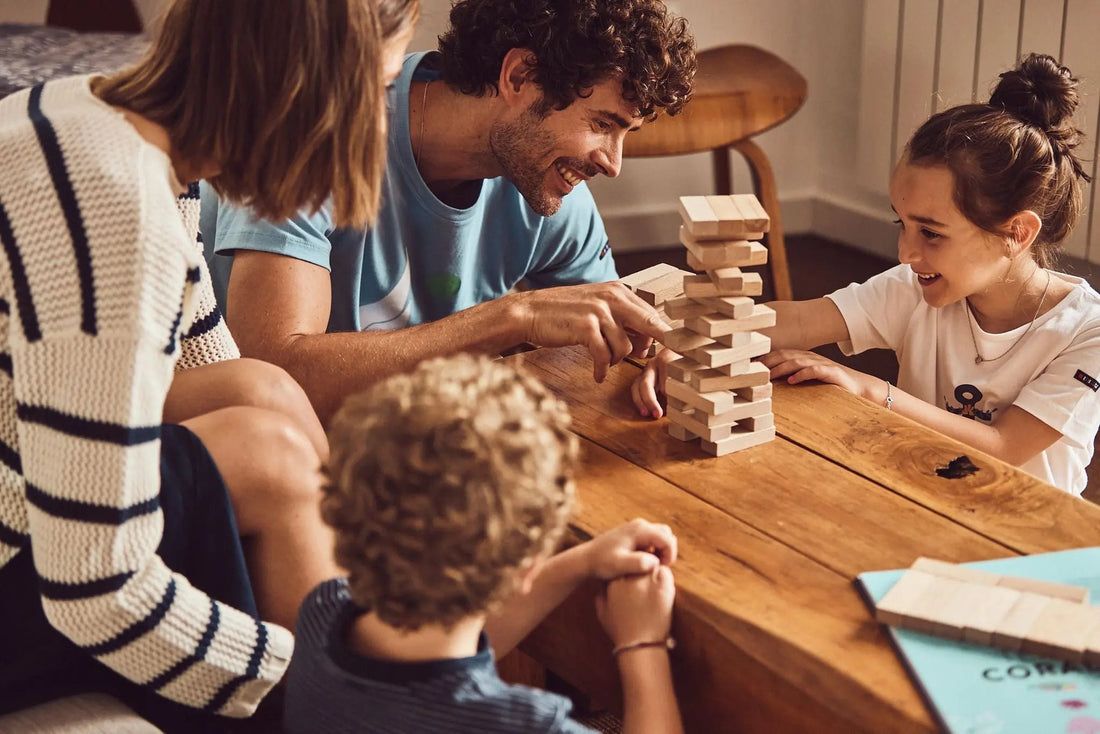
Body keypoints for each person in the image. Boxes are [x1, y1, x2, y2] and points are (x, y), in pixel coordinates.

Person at [0, 0, 419, 730]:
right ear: (313, 83)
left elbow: (221, 370)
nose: (385, 126)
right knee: (268, 456)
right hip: (41, 559)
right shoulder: (115, 213)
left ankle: (381, 649)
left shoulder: (99, 117)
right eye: (380, 92)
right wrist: (293, 670)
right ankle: (358, 697)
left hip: (30, 465)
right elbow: (94, 588)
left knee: (261, 389)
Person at [200, 0, 697, 424]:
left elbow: (611, 336)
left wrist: (657, 354)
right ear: (518, 76)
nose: (613, 164)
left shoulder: (547, 191)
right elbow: (267, 377)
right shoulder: (318, 132)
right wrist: (513, 317)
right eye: (602, 124)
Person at [633, 54, 1100, 496]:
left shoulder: (1088, 334)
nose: (905, 251)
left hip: (1033, 546)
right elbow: (796, 323)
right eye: (903, 223)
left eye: (931, 233)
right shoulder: (914, 287)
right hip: (924, 502)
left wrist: (871, 389)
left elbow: (1005, 448)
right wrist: (700, 350)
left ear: (1016, 233)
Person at [283, 354, 683, 734]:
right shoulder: (523, 724)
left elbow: (444, 648)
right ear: (527, 567)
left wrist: (583, 562)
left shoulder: (320, 616)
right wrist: (642, 647)